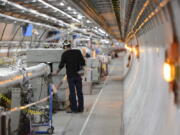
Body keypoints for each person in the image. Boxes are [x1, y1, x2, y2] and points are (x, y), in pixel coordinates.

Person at [53, 40, 85, 113]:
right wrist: (82, 69)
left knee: (72, 92)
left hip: (70, 76)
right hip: (78, 75)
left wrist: (56, 72)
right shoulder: (78, 52)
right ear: (70, 46)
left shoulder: (64, 54)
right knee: (80, 92)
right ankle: (81, 108)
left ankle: (74, 109)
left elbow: (61, 66)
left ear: (64, 46)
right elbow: (83, 62)